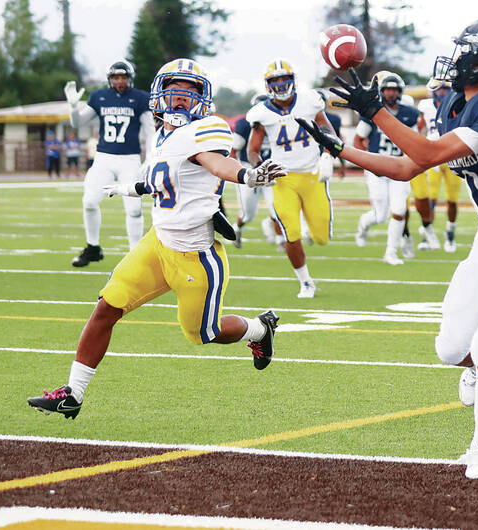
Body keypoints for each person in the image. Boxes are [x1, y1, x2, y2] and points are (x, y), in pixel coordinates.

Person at [298, 18, 478, 480]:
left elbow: (421, 156)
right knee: (450, 349)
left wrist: (373, 112)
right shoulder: (455, 105)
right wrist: (342, 150)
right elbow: (407, 168)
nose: (456, 58)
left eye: (466, 52)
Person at [27, 58, 287, 419]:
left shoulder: (207, 129)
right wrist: (131, 187)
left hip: (196, 256)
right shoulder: (162, 135)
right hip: (158, 242)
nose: (179, 99)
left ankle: (259, 329)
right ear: (159, 95)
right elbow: (162, 177)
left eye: (189, 92)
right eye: (173, 91)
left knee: (203, 334)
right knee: (106, 307)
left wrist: (247, 176)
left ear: (202, 98)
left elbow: (217, 164)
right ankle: (73, 393)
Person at [247, 59, 337, 298]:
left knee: (321, 237)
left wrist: (327, 156)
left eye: (283, 78)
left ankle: (313, 232)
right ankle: (306, 282)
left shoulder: (309, 101)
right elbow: (253, 150)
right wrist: (260, 168)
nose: (280, 84)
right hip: (283, 179)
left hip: (312, 176)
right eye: (274, 80)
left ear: (292, 80)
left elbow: (328, 132)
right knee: (291, 233)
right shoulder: (261, 113)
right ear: (267, 85)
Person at [65, 59, 155, 267]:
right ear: (110, 79)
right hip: (103, 158)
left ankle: (135, 255)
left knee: (134, 209)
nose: (120, 81)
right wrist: (72, 106)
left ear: (130, 78)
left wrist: (149, 157)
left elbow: (150, 131)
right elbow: (77, 123)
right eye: (116, 77)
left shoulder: (140, 98)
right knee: (89, 202)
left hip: (130, 159)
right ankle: (93, 247)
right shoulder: (100, 96)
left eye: (123, 77)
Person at [353, 71, 426, 265]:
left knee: (400, 209)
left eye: (394, 90)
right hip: (377, 168)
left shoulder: (409, 114)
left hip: (399, 167)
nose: (391, 94)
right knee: (380, 215)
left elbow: (415, 142)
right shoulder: (372, 112)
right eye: (387, 90)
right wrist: (367, 161)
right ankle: (363, 225)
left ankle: (391, 252)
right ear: (381, 92)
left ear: (400, 92)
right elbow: (358, 140)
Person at [417, 80, 461, 252]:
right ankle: (427, 234)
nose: (442, 92)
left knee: (452, 200)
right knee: (431, 199)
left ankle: (450, 233)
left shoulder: (457, 103)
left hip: (452, 155)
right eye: (440, 88)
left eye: (445, 88)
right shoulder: (426, 106)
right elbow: (419, 130)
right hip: (433, 156)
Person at [230, 93, 277, 249]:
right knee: (248, 213)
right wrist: (237, 172)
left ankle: (280, 240)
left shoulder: (278, 121)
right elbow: (233, 150)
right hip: (248, 170)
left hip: (271, 170)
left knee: (277, 208)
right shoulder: (245, 124)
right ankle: (237, 229)